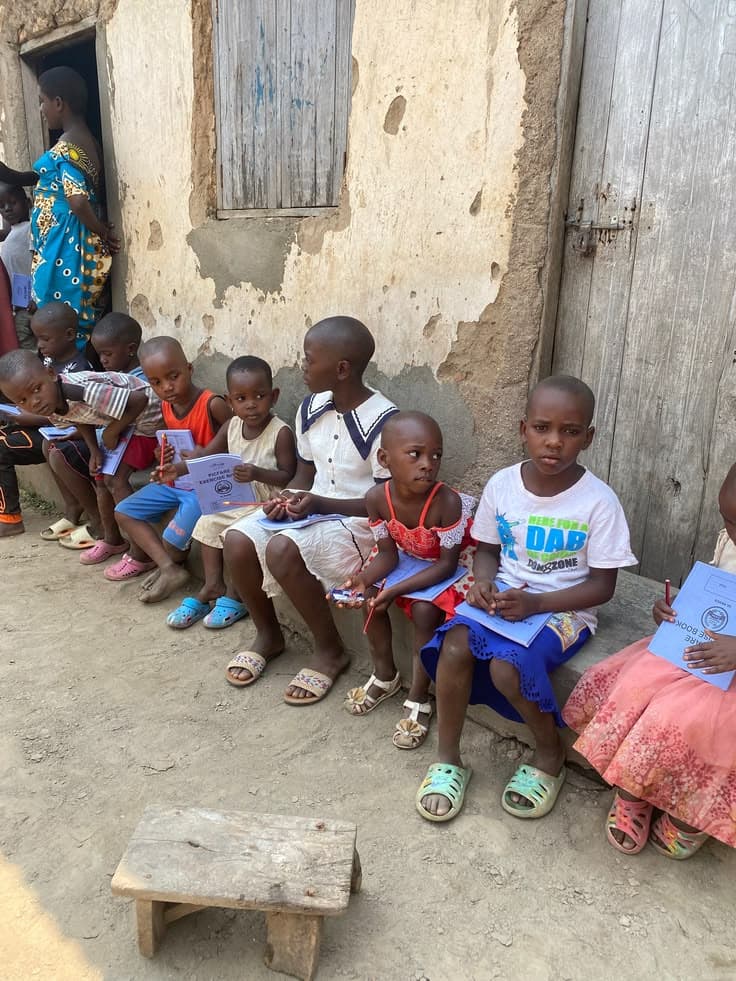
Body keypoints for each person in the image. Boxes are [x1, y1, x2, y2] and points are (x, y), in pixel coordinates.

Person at [414, 375, 637, 823]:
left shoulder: (598, 502)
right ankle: (447, 758)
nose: (554, 442)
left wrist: (537, 604)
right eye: (542, 427)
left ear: (588, 438)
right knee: (455, 646)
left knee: (506, 667)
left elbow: (603, 587)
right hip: (503, 601)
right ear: (523, 429)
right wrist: (482, 582)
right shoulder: (502, 485)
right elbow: (489, 553)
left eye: (570, 432)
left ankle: (550, 753)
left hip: (565, 609)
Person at [562, 464, 736, 860]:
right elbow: (717, 595)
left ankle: (690, 816)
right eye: (728, 519)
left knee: (695, 726)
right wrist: (676, 611)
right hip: (696, 651)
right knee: (635, 692)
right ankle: (632, 793)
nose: (734, 531)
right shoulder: (730, 540)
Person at [222, 316, 398, 697]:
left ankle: (330, 650)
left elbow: (385, 502)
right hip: (313, 509)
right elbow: (304, 474)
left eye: (308, 358)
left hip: (358, 523)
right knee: (237, 539)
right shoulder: (311, 407)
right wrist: (287, 500)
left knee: (280, 548)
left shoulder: (385, 421)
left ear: (341, 369)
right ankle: (268, 635)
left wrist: (319, 503)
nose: (302, 365)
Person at [331, 411, 475, 749]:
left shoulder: (447, 503)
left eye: (435, 455)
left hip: (448, 563)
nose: (428, 463)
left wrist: (395, 589)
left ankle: (419, 697)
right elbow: (387, 555)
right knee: (370, 598)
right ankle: (384, 675)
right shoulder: (377, 499)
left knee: (426, 612)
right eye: (416, 454)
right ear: (385, 459)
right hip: (408, 556)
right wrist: (363, 579)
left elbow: (445, 566)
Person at [164, 355, 297, 631]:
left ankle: (236, 596)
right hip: (238, 497)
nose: (250, 404)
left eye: (259, 396)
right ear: (229, 401)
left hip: (266, 502)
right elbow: (206, 458)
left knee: (236, 533)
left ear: (273, 396)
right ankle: (213, 585)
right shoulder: (231, 426)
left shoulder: (280, 432)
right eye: (241, 398)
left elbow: (288, 476)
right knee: (207, 522)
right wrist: (176, 469)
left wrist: (258, 473)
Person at [0, 66, 119, 349]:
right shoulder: (79, 143)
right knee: (62, 317)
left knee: (62, 318)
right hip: (62, 245)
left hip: (65, 249)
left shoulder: (68, 147)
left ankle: (70, 373)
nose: (41, 108)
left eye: (42, 100)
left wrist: (101, 231)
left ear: (58, 103)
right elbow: (46, 178)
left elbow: (76, 199)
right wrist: (10, 175)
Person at [112, 336, 231, 600]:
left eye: (173, 376)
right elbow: (172, 442)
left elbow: (237, 440)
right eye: (156, 382)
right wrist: (161, 454)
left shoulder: (212, 404)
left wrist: (203, 455)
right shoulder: (166, 406)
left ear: (189, 369)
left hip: (204, 488)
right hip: (176, 482)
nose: (166, 387)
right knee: (124, 511)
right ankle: (168, 568)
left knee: (171, 543)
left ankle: (170, 564)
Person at [0, 350, 160, 544]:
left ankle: (140, 551)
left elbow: (140, 400)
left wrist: (111, 432)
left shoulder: (79, 389)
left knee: (114, 480)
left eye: (36, 389)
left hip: (152, 418)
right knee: (100, 476)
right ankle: (112, 540)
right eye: (22, 401)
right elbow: (80, 416)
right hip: (127, 423)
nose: (34, 402)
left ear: (51, 374)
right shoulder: (51, 404)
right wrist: (93, 450)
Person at [0, 183, 34, 350]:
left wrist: (36, 295)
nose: (7, 209)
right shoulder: (12, 233)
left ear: (28, 203)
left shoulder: (31, 230)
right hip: (19, 307)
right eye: (1, 206)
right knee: (25, 349)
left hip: (34, 303)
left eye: (13, 203)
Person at [31, 303, 93, 372]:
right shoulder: (47, 356)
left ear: (69, 335)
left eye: (46, 339)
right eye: (37, 339)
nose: (39, 345)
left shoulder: (81, 370)